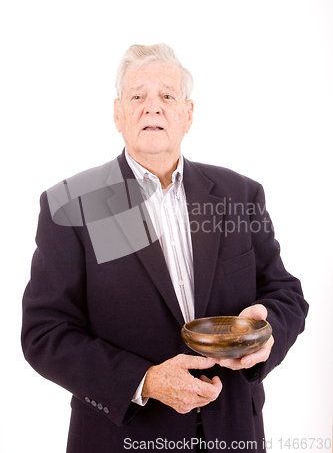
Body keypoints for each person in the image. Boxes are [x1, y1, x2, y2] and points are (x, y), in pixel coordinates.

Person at [22, 43, 308, 453]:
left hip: (232, 433)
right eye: (137, 95)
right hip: (121, 439)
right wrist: (145, 381)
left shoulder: (239, 194)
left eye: (167, 96)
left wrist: (266, 332)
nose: (152, 107)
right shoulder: (72, 205)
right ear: (117, 113)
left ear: (188, 115)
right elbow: (44, 333)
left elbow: (286, 294)